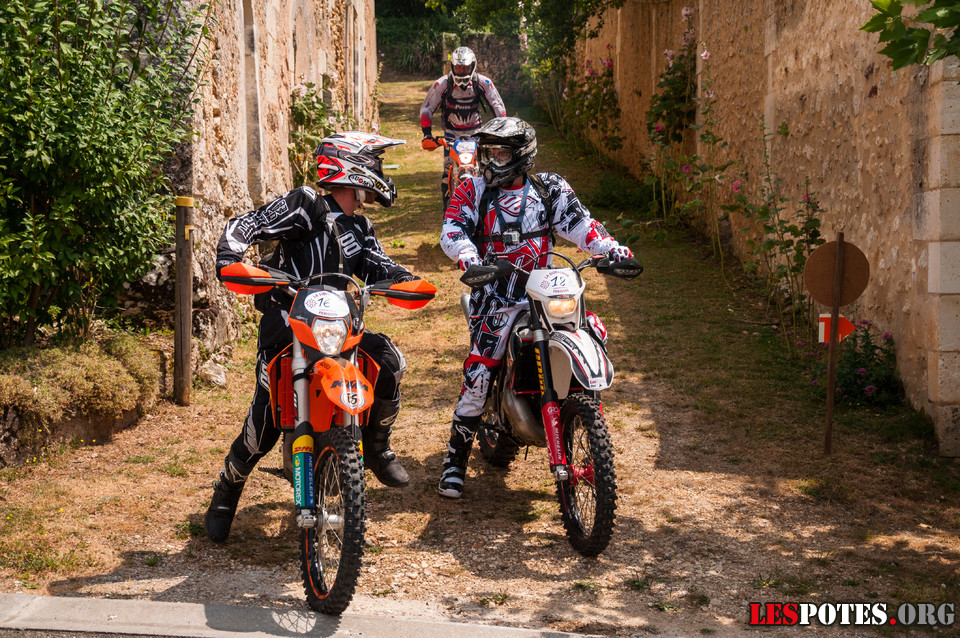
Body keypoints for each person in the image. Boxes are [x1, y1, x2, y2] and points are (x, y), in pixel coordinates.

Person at [205, 132, 420, 543]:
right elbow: (249, 223)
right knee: (264, 423)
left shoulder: (360, 226)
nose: (379, 171)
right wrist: (231, 258)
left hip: (337, 331)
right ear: (352, 167)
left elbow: (379, 264)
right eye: (373, 162)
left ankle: (377, 446)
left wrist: (405, 280)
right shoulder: (306, 205)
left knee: (390, 362)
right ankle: (228, 486)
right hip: (288, 327)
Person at [436, 116, 634, 499]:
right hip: (495, 297)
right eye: (487, 152)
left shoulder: (549, 189)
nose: (490, 160)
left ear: (521, 155)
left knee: (593, 331)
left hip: (546, 291)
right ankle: (455, 459)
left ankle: (584, 420)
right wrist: (468, 256)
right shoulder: (473, 189)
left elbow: (582, 225)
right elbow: (453, 229)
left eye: (500, 153)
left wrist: (610, 248)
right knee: (480, 373)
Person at [419, 46, 506, 204]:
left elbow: (498, 107)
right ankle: (448, 210)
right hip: (451, 136)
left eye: (465, 67)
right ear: (452, 66)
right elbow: (427, 108)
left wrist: (501, 132)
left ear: (472, 66)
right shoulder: (443, 84)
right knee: (447, 173)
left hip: (476, 135)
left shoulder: (483, 82)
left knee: (488, 171)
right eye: (458, 67)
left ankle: (490, 207)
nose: (461, 71)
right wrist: (427, 135)